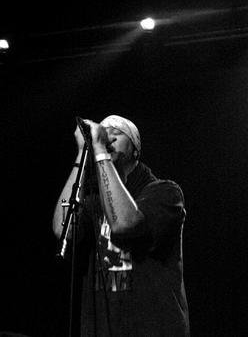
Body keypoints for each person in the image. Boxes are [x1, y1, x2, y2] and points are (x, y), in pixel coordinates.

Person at [52, 115, 190, 337]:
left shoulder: (165, 193)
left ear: (136, 150)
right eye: (104, 132)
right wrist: (82, 154)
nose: (108, 136)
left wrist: (100, 150)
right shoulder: (94, 200)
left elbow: (124, 223)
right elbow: (63, 231)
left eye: (117, 133)